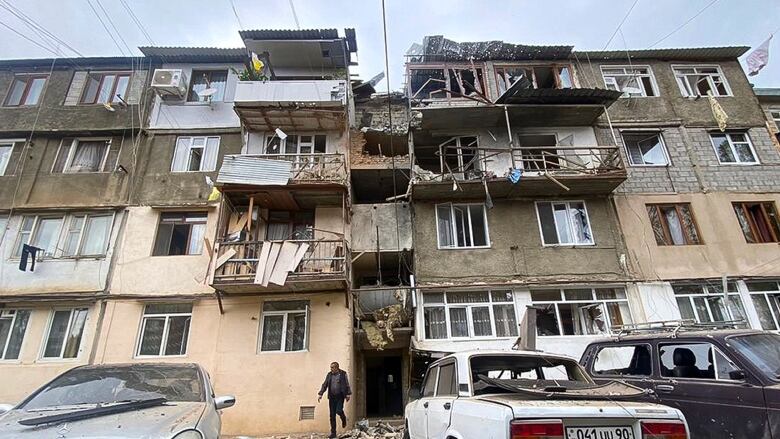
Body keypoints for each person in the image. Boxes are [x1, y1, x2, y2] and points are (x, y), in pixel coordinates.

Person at [318, 361, 351, 438]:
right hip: (332, 397)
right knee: (332, 415)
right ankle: (333, 433)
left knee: (339, 410)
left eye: (332, 367)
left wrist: (348, 394)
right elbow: (325, 384)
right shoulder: (329, 375)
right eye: (331, 367)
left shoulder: (343, 374)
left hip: (340, 396)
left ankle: (343, 418)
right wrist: (320, 393)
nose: (331, 369)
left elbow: (347, 384)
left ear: (337, 367)